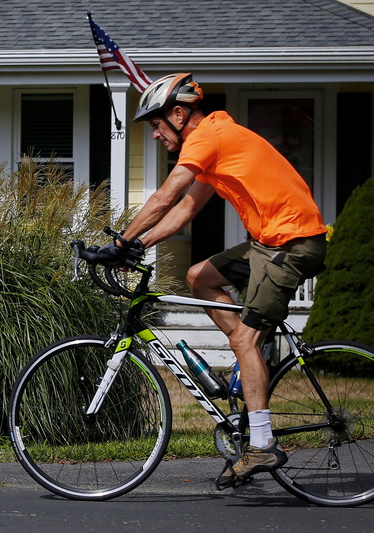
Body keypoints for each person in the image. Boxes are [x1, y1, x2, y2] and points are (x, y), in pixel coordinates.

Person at [102, 73, 327, 487]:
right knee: (199, 277)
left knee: (244, 340)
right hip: (269, 243)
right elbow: (186, 210)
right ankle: (249, 364)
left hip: (292, 244)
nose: (155, 135)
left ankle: (262, 445)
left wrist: (122, 241)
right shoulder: (214, 139)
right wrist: (140, 243)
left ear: (178, 113)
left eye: (156, 125)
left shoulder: (207, 136)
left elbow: (165, 195)